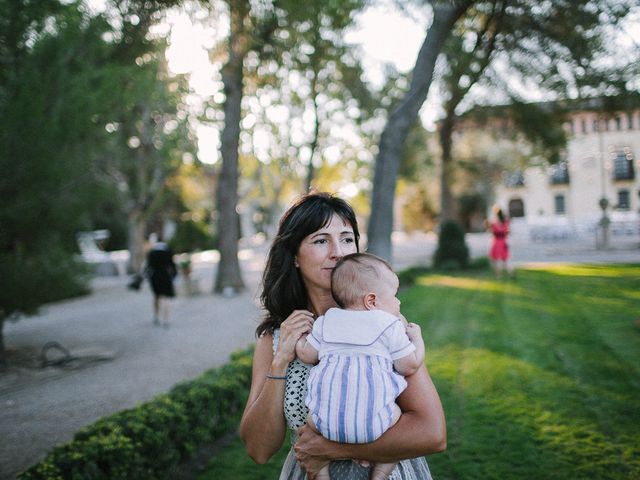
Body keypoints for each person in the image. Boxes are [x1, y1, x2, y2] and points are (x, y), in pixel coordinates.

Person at [239, 192, 446, 480]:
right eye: (321, 240)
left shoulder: (384, 323)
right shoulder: (274, 339)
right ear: (295, 256)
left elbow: (432, 433)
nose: (338, 252)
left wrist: (329, 448)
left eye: (347, 239)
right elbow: (258, 450)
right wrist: (281, 362)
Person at [295, 252, 426, 480]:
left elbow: (307, 354)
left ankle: (320, 470)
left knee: (309, 420)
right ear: (372, 301)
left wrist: (298, 338)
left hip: (327, 426)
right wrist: (417, 339)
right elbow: (410, 365)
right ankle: (381, 471)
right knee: (396, 415)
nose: (398, 302)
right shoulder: (390, 325)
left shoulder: (327, 321)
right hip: (375, 426)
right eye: (394, 296)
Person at [145, 233, 177, 327]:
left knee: (156, 297)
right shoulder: (168, 251)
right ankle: (166, 319)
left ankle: (156, 316)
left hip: (155, 277)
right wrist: (174, 276)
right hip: (166, 276)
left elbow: (149, 267)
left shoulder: (152, 252)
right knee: (166, 298)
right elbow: (172, 265)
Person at [487, 205, 512, 279]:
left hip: (497, 242)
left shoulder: (494, 223)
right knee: (505, 259)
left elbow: (492, 232)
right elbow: (507, 232)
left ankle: (498, 276)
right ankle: (510, 273)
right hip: (503, 241)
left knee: (496, 260)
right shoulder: (505, 222)